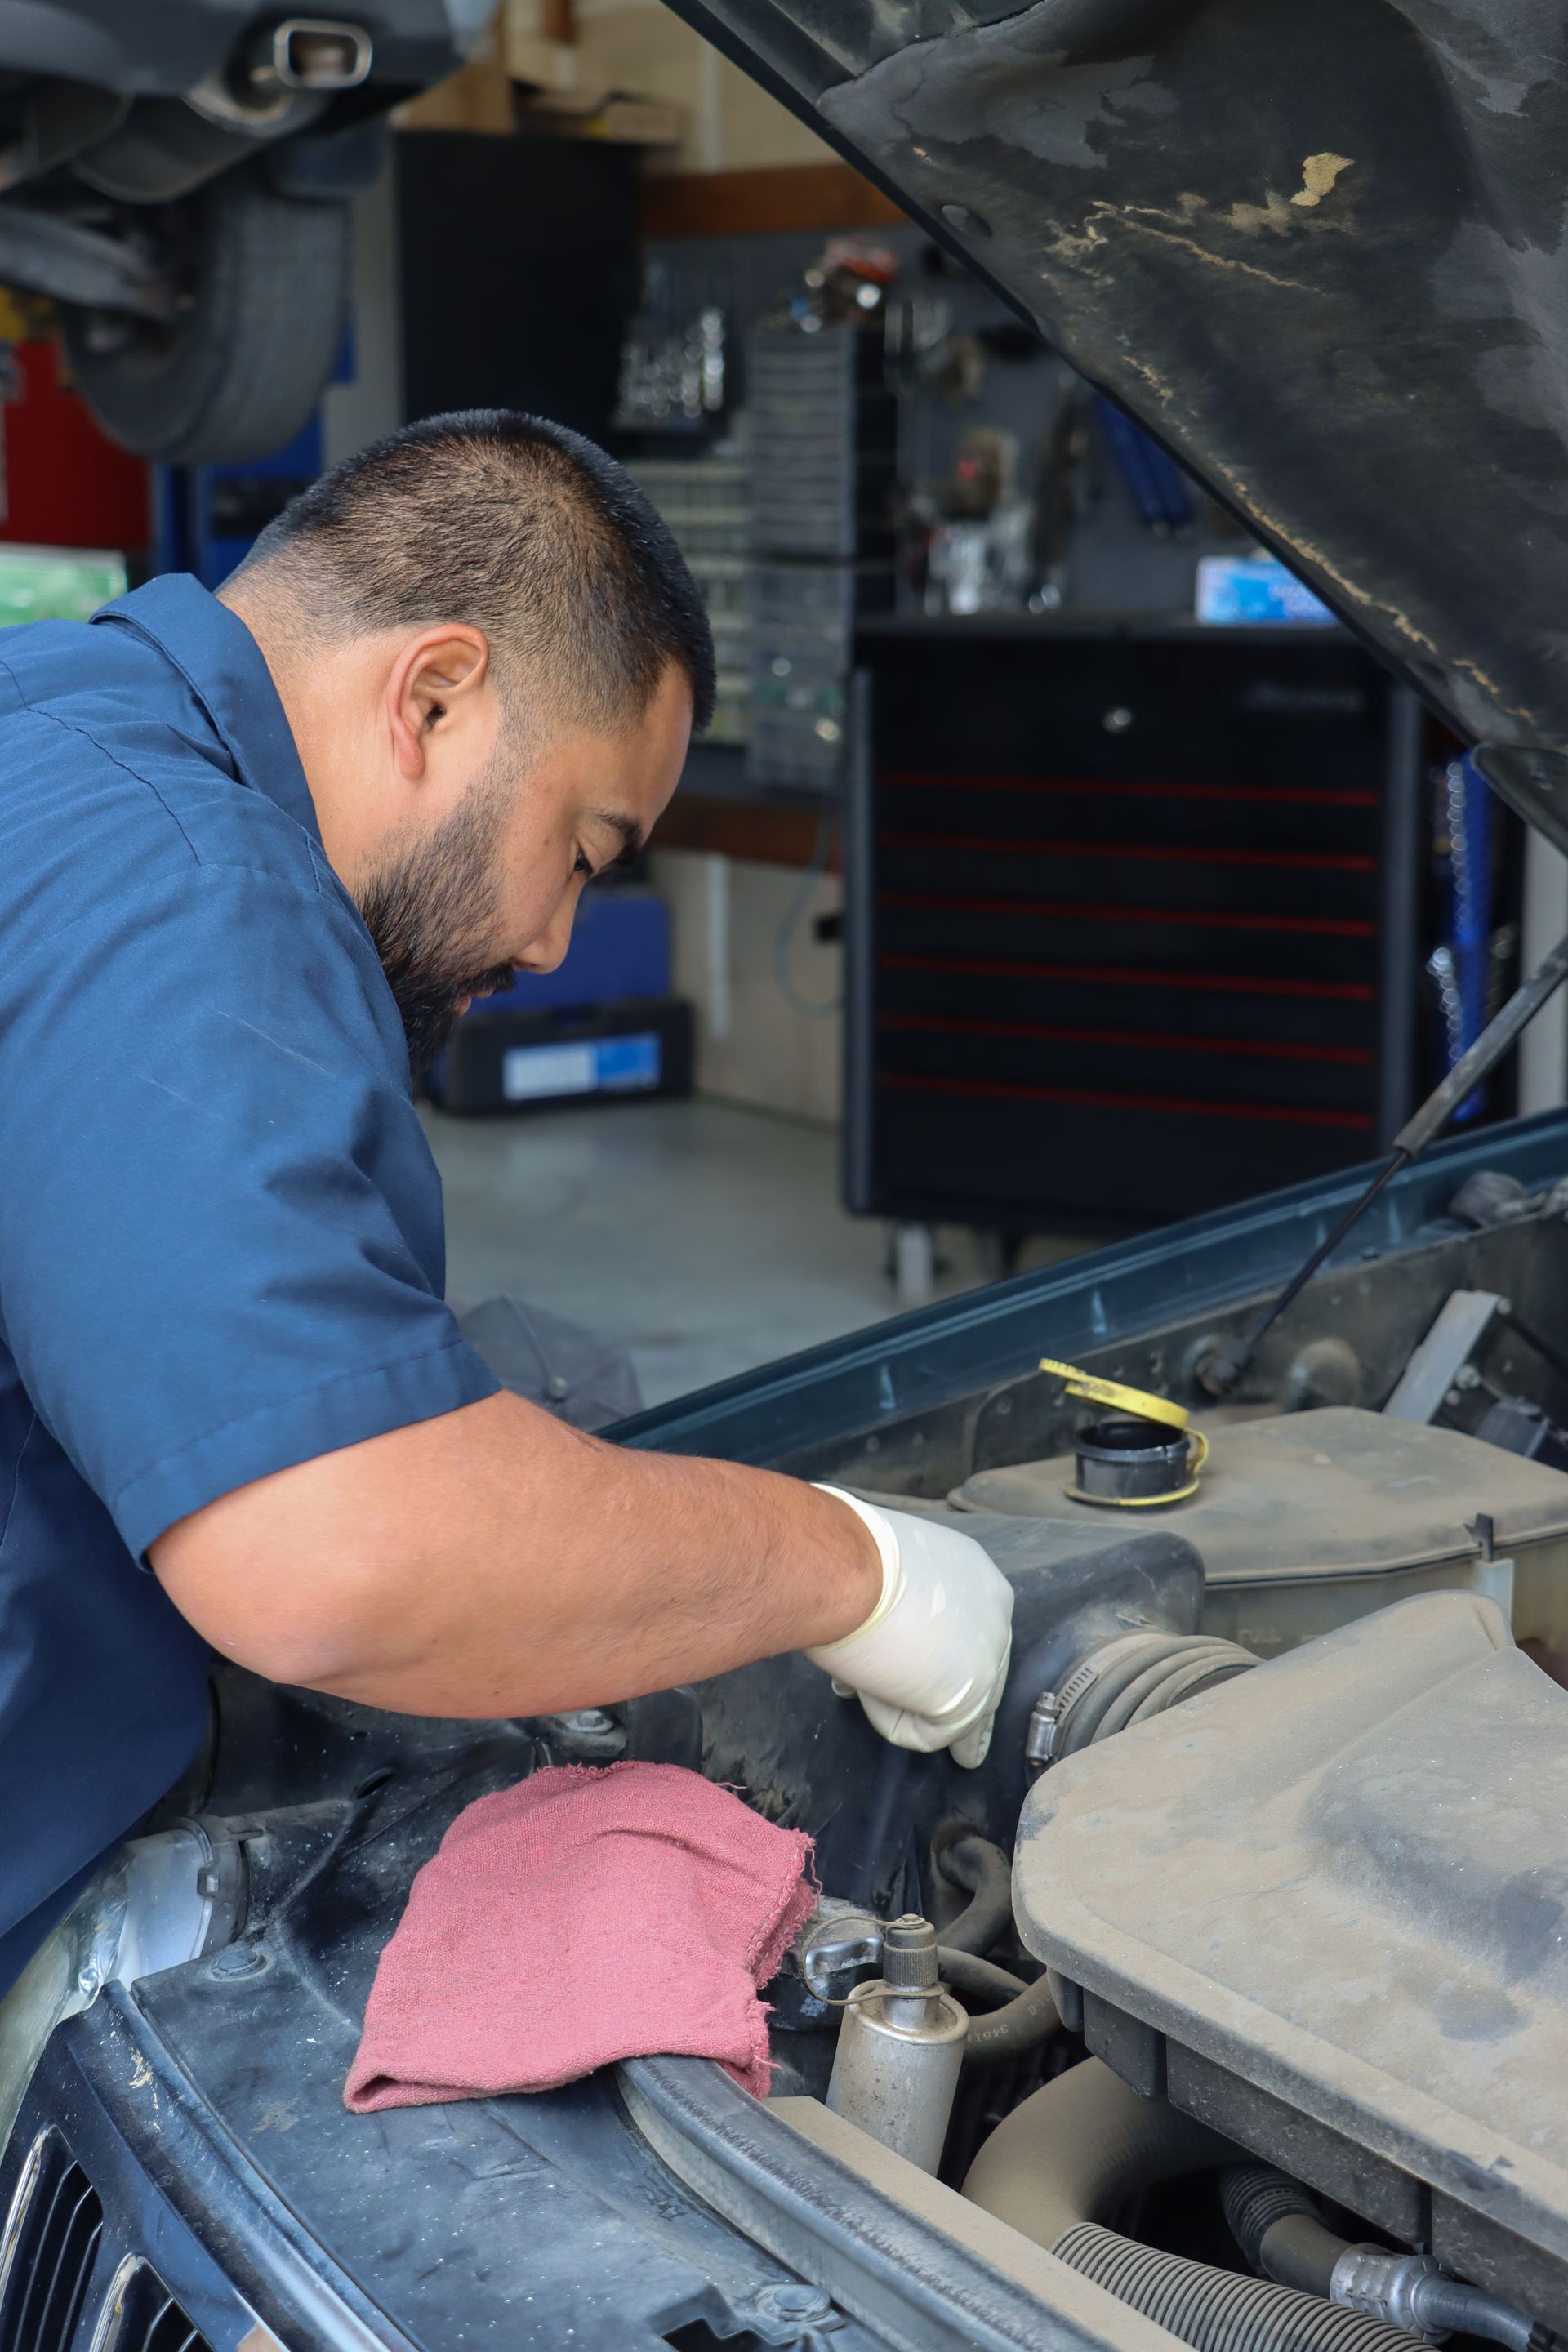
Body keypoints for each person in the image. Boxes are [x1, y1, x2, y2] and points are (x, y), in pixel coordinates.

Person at [0, 409, 1011, 1995]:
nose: (554, 943)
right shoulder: (196, 883)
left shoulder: (52, 719)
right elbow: (333, 1547)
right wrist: (848, 1568)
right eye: (588, 847)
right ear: (437, 694)